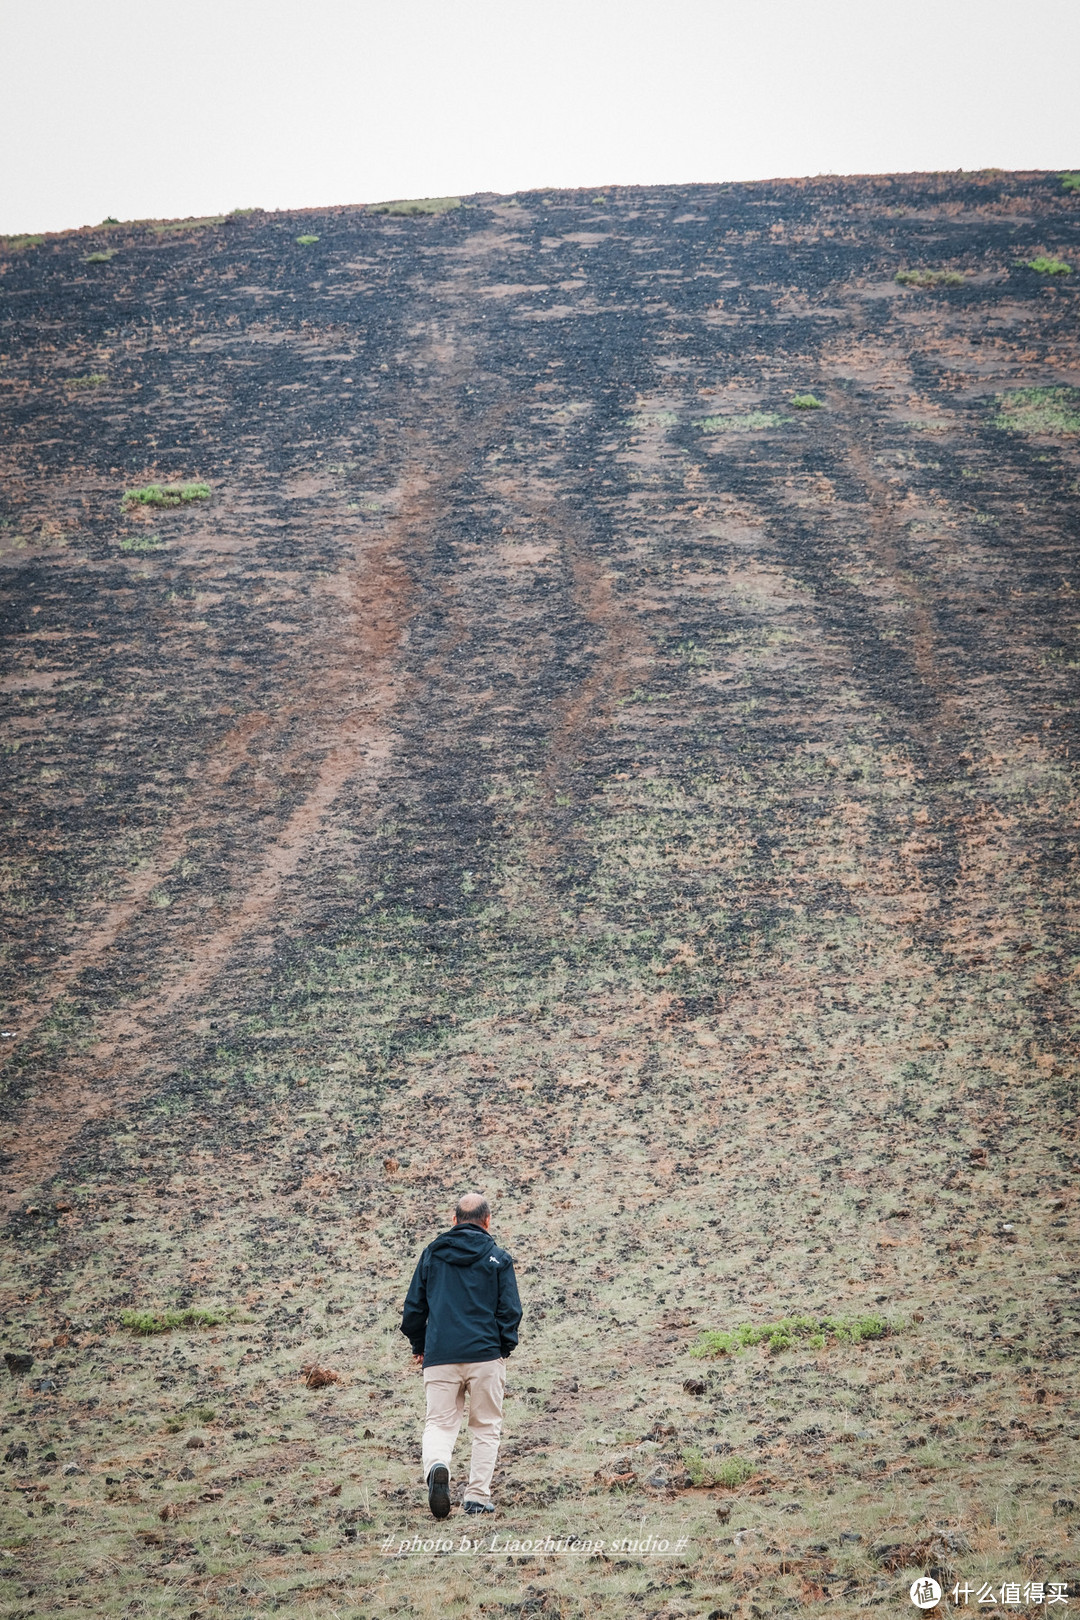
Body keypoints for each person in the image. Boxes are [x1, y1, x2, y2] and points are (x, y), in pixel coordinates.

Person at [400, 1191, 522, 1519]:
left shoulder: (432, 1255)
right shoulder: (498, 1257)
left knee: (439, 1424)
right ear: (488, 1221)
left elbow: (413, 1308)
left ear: (453, 1220)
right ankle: (477, 1497)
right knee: (485, 1426)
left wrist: (420, 1346)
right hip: (485, 1356)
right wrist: (502, 1348)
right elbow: (510, 1310)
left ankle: (438, 1466)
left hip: (440, 1356)